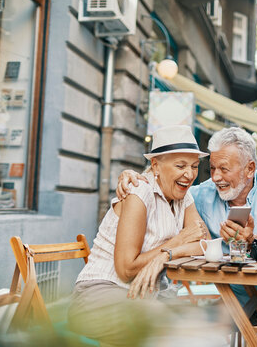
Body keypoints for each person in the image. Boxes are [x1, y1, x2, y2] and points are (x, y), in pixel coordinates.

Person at [117, 127, 257, 347]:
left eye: (224, 169)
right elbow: (169, 183)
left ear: (249, 169)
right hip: (237, 299)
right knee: (189, 335)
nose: (216, 177)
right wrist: (133, 176)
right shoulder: (201, 194)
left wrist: (253, 240)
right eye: (212, 168)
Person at [68, 125, 211, 346]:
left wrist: (167, 254)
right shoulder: (139, 192)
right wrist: (179, 240)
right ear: (156, 165)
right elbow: (126, 269)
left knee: (201, 324)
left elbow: (205, 244)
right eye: (180, 165)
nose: (190, 174)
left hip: (142, 298)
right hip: (99, 296)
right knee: (173, 330)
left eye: (194, 166)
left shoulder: (183, 196)